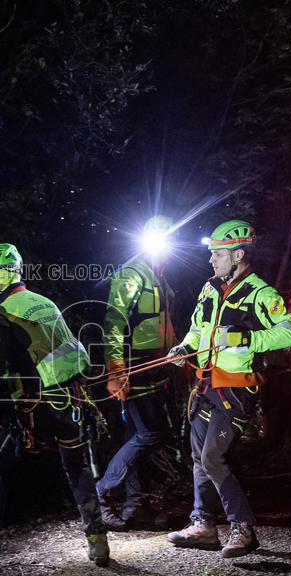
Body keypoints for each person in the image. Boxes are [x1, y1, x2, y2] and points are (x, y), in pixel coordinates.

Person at [0, 243, 109, 576]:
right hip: (69, 402)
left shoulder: (1, 315)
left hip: (32, 411)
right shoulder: (44, 303)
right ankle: (98, 542)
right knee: (76, 468)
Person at [165, 220, 291, 558]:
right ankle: (203, 525)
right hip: (205, 384)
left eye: (218, 254)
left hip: (236, 390)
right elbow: (197, 331)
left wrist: (247, 338)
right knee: (198, 456)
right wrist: (183, 348)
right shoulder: (209, 288)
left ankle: (243, 528)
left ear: (238, 254)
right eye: (211, 253)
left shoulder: (261, 293)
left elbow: (289, 334)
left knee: (212, 457)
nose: (212, 260)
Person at [97, 215, 176, 530]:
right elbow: (114, 322)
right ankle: (101, 492)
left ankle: (136, 505)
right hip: (135, 366)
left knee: (136, 434)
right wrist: (115, 370)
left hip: (157, 364)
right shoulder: (131, 273)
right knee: (149, 433)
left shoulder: (160, 276)